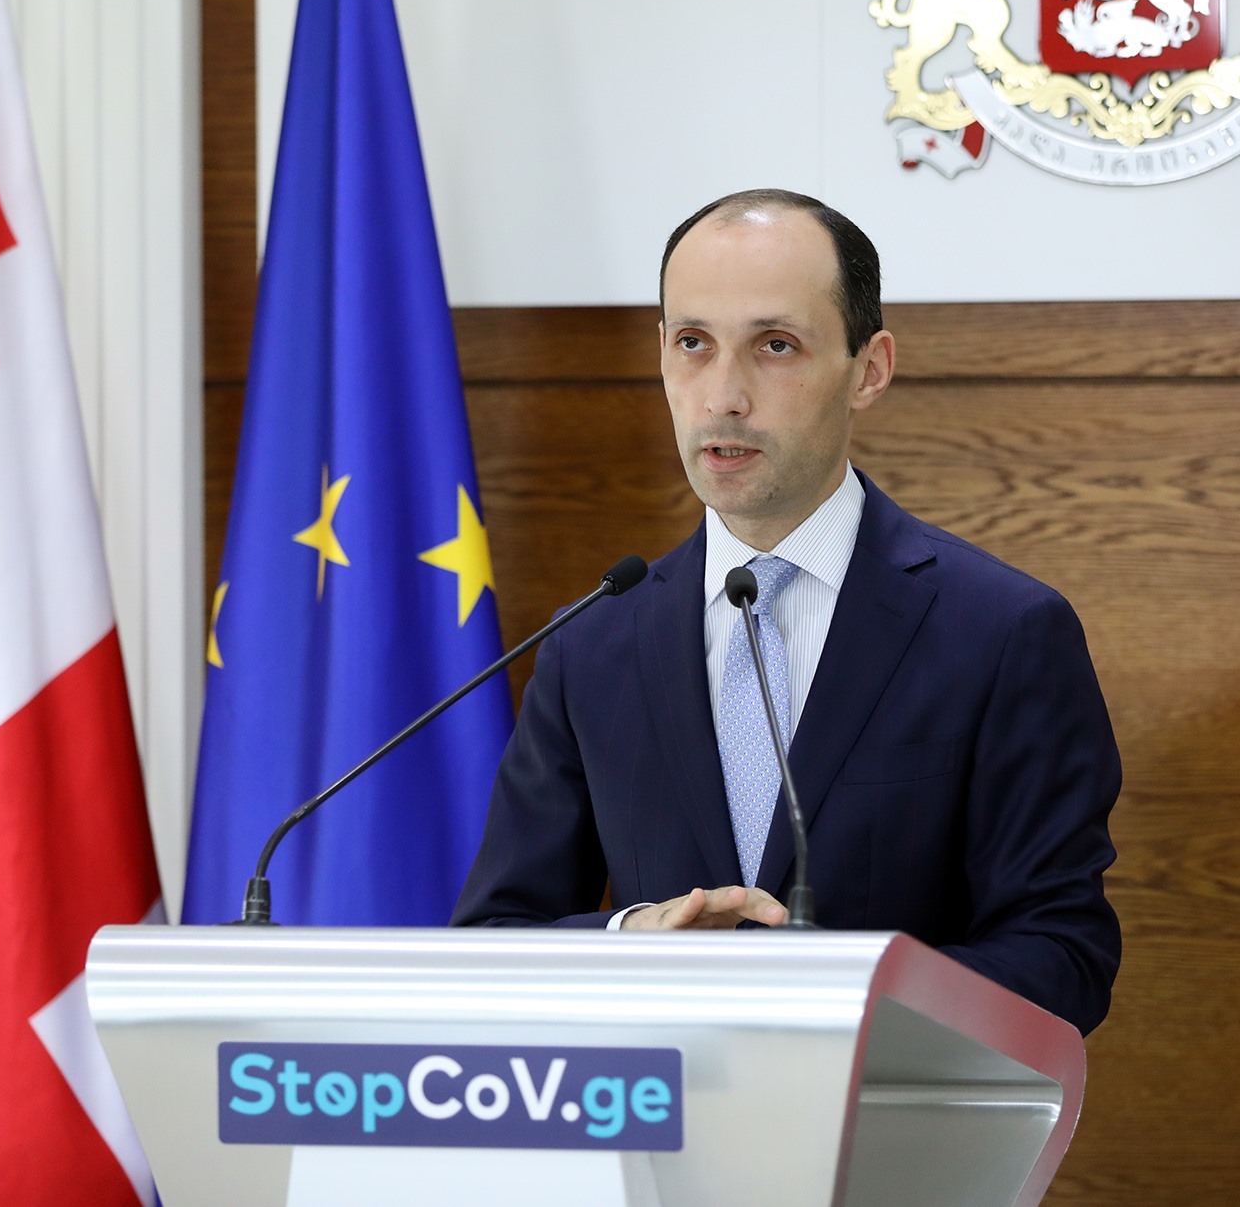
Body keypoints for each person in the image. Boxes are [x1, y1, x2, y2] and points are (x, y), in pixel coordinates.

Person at [451, 189, 1122, 1035]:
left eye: (775, 345)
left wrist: (829, 999)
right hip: (658, 1111)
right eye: (693, 343)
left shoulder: (1001, 632)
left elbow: (1062, 956)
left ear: (868, 369)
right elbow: (495, 938)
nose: (723, 396)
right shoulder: (591, 646)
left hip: (882, 1111)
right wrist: (630, 941)